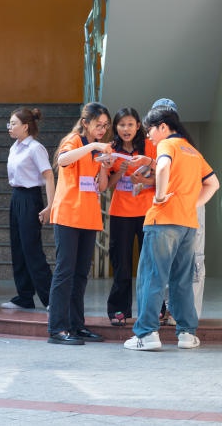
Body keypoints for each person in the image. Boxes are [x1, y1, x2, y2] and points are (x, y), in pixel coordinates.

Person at [124, 98, 219, 351]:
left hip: (163, 221)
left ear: (163, 126)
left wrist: (159, 195)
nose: (149, 136)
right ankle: (187, 334)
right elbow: (213, 183)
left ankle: (146, 335)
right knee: (181, 281)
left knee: (152, 278)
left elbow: (163, 165)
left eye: (149, 130)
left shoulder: (168, 144)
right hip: (188, 224)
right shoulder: (192, 150)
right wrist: (192, 204)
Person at [47, 102, 112, 345]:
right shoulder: (74, 140)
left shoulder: (97, 150)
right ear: (85, 123)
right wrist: (93, 146)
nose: (102, 130)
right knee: (65, 272)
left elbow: (102, 187)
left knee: (81, 274)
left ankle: (76, 325)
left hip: (88, 215)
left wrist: (104, 167)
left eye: (106, 126)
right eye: (98, 125)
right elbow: (63, 160)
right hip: (67, 214)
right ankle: (57, 328)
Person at [96, 108, 157, 326]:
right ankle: (119, 310)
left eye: (130, 124)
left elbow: (164, 176)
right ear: (116, 128)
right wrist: (120, 171)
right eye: (121, 125)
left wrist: (145, 174)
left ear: (138, 126)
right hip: (120, 212)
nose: (126, 129)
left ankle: (155, 309)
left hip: (147, 212)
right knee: (121, 263)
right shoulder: (111, 150)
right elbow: (106, 187)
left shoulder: (150, 146)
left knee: (150, 263)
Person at [2, 107, 54, 310]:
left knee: (32, 249)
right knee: (18, 248)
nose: (10, 127)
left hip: (31, 197)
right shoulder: (14, 147)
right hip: (17, 196)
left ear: (25, 126)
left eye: (13, 123)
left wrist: (51, 205)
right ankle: (24, 296)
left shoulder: (35, 148)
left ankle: (51, 298)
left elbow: (49, 175)